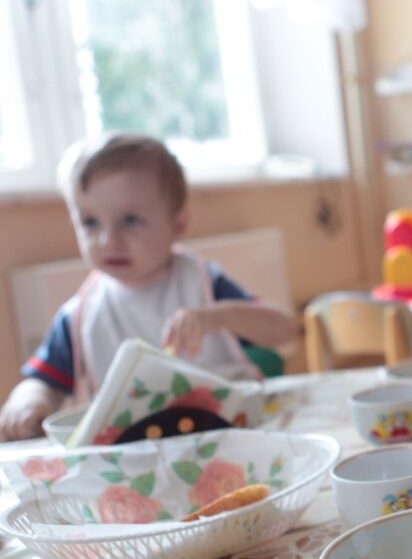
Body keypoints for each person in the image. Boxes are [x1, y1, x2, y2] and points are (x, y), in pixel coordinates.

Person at [0, 134, 296, 441]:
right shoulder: (80, 315)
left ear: (178, 225)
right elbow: (44, 381)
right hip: (135, 459)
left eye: (130, 220)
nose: (108, 240)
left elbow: (284, 329)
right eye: (90, 222)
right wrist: (28, 400)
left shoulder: (203, 283)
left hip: (232, 437)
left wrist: (217, 317)